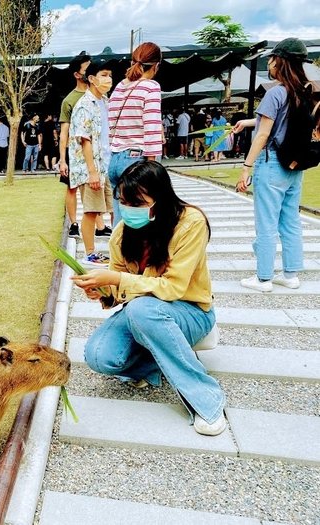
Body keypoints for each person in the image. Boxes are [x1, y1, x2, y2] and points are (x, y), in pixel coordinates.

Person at [72, 160, 226, 436]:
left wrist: (117, 280)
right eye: (122, 201)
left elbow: (174, 288)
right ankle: (165, 354)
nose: (128, 209)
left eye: (137, 202)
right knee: (99, 356)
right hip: (144, 313)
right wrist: (103, 290)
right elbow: (120, 284)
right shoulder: (121, 233)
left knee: (142, 309)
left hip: (190, 310)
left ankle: (207, 400)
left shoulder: (190, 223)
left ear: (161, 198)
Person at [233, 38, 313, 292]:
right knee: (290, 220)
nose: (269, 62)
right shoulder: (304, 91)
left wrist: (246, 166)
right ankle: (290, 274)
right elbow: (279, 124)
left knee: (266, 222)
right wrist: (247, 122)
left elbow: (264, 134)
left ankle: (263, 277)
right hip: (293, 166)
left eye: (272, 58)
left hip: (271, 165)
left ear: (281, 61)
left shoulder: (275, 92)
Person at [107, 42, 163, 225]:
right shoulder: (151, 87)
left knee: (121, 221)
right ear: (156, 65)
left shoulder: (119, 88)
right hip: (137, 159)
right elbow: (152, 127)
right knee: (142, 221)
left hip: (115, 160)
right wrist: (153, 166)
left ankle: (118, 253)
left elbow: (110, 125)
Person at [69, 59, 114, 268]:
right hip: (91, 168)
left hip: (105, 164)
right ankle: (90, 253)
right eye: (104, 75)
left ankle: (118, 251)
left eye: (110, 75)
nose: (108, 79)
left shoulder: (104, 101)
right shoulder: (84, 105)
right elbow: (84, 139)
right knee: (91, 211)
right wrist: (92, 172)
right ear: (92, 78)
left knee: (111, 208)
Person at [60, 52, 91, 239]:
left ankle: (99, 224)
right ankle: (73, 223)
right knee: (72, 187)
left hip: (95, 151)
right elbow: (64, 132)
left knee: (94, 187)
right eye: (87, 69)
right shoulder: (69, 101)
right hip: (74, 151)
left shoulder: (100, 96)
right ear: (77, 75)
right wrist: (62, 160)